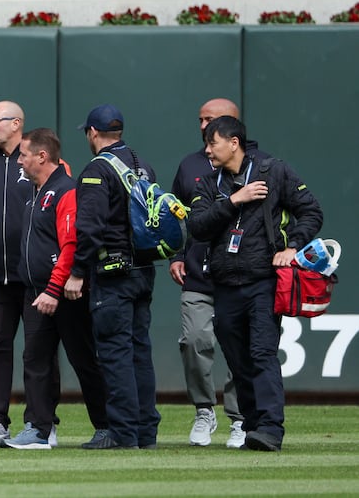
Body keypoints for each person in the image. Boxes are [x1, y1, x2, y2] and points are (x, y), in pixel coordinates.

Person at [190, 115, 323, 451]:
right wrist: (235, 200)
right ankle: (251, 424)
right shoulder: (208, 184)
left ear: (233, 142)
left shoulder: (273, 172)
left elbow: (311, 211)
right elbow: (197, 226)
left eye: (212, 142)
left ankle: (270, 428)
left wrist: (292, 246)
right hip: (223, 284)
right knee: (237, 359)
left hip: (263, 280)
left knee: (262, 352)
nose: (207, 150)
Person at [170, 98, 270, 448]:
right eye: (200, 120)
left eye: (210, 121)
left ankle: (240, 416)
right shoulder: (190, 166)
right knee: (194, 340)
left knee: (239, 348)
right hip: (199, 271)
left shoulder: (263, 166)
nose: (202, 127)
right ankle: (203, 409)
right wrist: (177, 255)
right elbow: (182, 218)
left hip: (242, 274)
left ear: (233, 130)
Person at [0, 128, 108, 449]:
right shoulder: (37, 190)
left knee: (84, 360)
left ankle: (106, 426)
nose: (19, 161)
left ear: (42, 156)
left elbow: (71, 245)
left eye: (23, 155)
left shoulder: (65, 190)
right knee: (35, 360)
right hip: (35, 291)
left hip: (63, 293)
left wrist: (53, 288)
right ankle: (38, 429)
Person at [65, 104, 161, 449]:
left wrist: (77, 273)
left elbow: (89, 228)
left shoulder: (96, 170)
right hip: (143, 270)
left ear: (92, 133)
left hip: (112, 274)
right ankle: (146, 432)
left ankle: (123, 434)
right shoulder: (141, 165)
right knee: (139, 352)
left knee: (115, 355)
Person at [0, 101, 59, 448]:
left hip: (32, 278)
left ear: (16, 123)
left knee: (39, 351)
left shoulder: (40, 163)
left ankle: (43, 423)